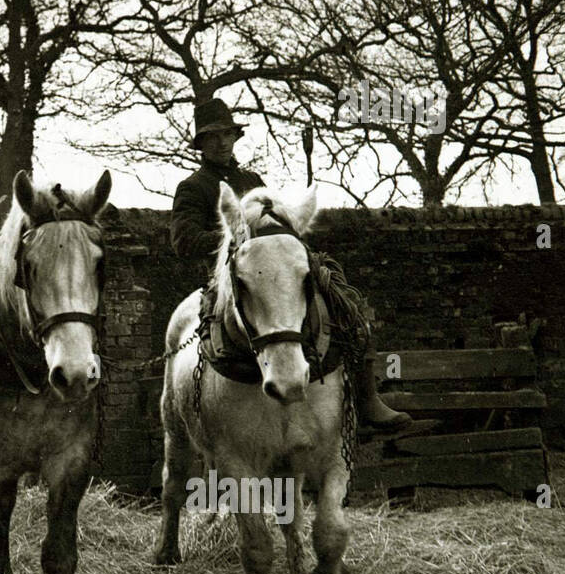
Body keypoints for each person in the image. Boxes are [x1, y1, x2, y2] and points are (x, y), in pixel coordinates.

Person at [171, 98, 411, 434]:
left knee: (347, 305)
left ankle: (365, 398)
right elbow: (183, 241)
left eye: (227, 135)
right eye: (213, 137)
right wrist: (238, 242)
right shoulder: (193, 188)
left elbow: (275, 224)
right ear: (201, 143)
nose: (222, 142)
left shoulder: (252, 179)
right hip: (231, 284)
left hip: (273, 273)